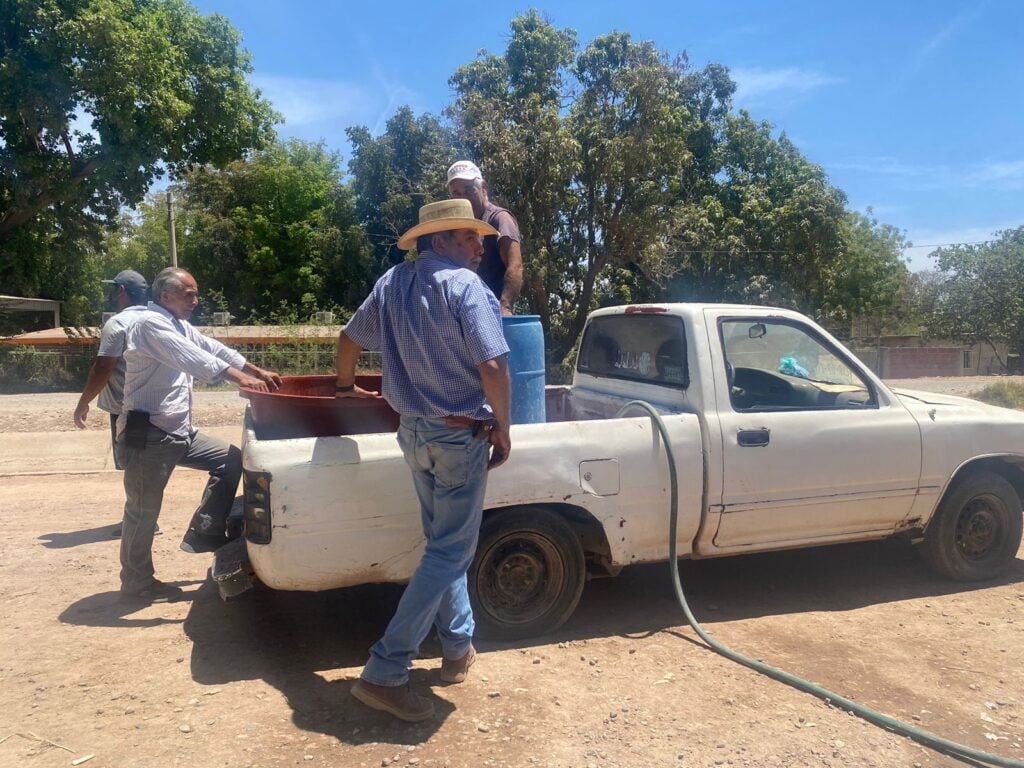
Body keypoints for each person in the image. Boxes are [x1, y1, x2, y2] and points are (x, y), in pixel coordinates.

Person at [336, 199, 512, 721]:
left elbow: (348, 339)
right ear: (440, 241)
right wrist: (504, 428)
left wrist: (346, 388)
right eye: (469, 238)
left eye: (480, 238)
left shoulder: (392, 282)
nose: (481, 248)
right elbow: (494, 365)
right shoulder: (466, 288)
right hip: (459, 435)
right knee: (450, 552)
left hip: (412, 432)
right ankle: (386, 670)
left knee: (444, 546)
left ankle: (457, 649)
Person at [116, 267, 281, 602]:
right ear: (166, 296)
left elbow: (212, 348)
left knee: (231, 460)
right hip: (149, 431)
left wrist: (255, 369)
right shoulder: (149, 324)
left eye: (195, 293)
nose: (196, 300)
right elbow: (193, 359)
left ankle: (205, 530)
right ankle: (137, 582)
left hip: (177, 428)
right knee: (143, 510)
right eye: (189, 294)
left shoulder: (178, 324)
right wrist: (240, 379)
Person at [73, 270, 155, 536]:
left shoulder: (118, 323)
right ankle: (144, 519)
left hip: (126, 410)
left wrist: (83, 402)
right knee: (145, 468)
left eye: (113, 289)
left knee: (133, 467)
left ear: (121, 291)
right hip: (156, 405)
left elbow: (103, 367)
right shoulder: (158, 319)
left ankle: (141, 524)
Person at [447, 160, 524, 316]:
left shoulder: (499, 219)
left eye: (469, 190)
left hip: (494, 313)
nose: (464, 198)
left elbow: (515, 265)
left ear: (484, 189)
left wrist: (505, 307)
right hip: (468, 312)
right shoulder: (460, 226)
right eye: (457, 193)